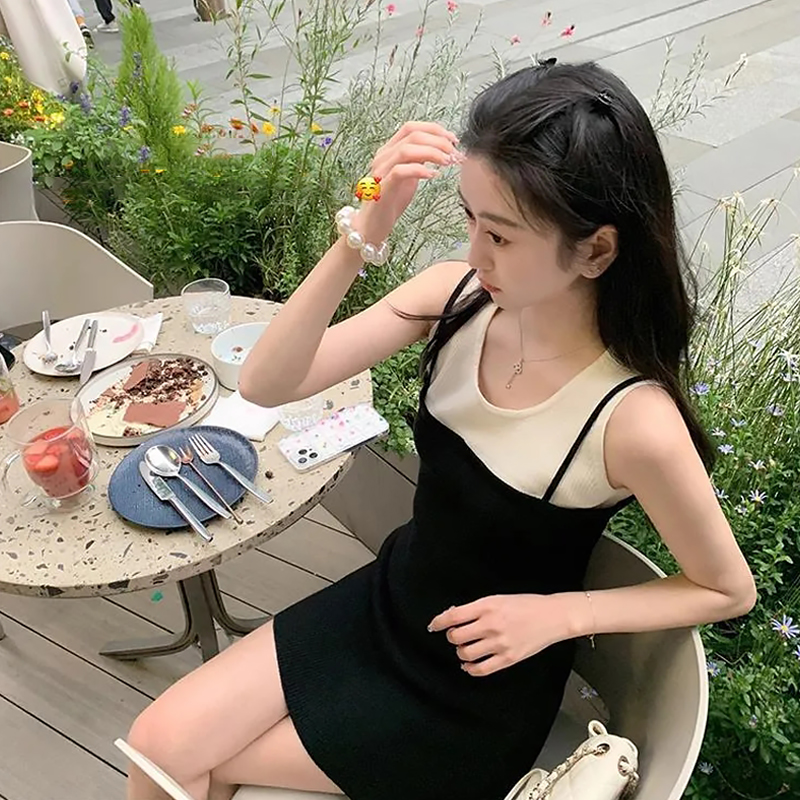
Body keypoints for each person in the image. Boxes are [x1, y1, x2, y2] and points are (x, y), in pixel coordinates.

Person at [125, 60, 758, 800]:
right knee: (158, 747)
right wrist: (364, 229)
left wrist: (561, 615)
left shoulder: (631, 419)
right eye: (469, 219)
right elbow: (267, 383)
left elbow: (725, 588)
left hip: (479, 687)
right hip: (389, 602)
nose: (475, 253)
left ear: (595, 250)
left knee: (194, 764)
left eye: (502, 237)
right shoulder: (454, 301)